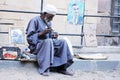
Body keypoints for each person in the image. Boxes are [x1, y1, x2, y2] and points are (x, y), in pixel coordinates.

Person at [26, 4, 74, 76]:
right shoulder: (34, 20)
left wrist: (53, 35)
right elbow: (29, 38)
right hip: (37, 46)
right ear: (44, 13)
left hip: (48, 44)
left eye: (52, 17)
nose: (51, 19)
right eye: (50, 17)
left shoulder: (48, 22)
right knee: (48, 41)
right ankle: (45, 69)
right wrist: (42, 33)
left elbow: (49, 36)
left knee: (63, 42)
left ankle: (62, 68)